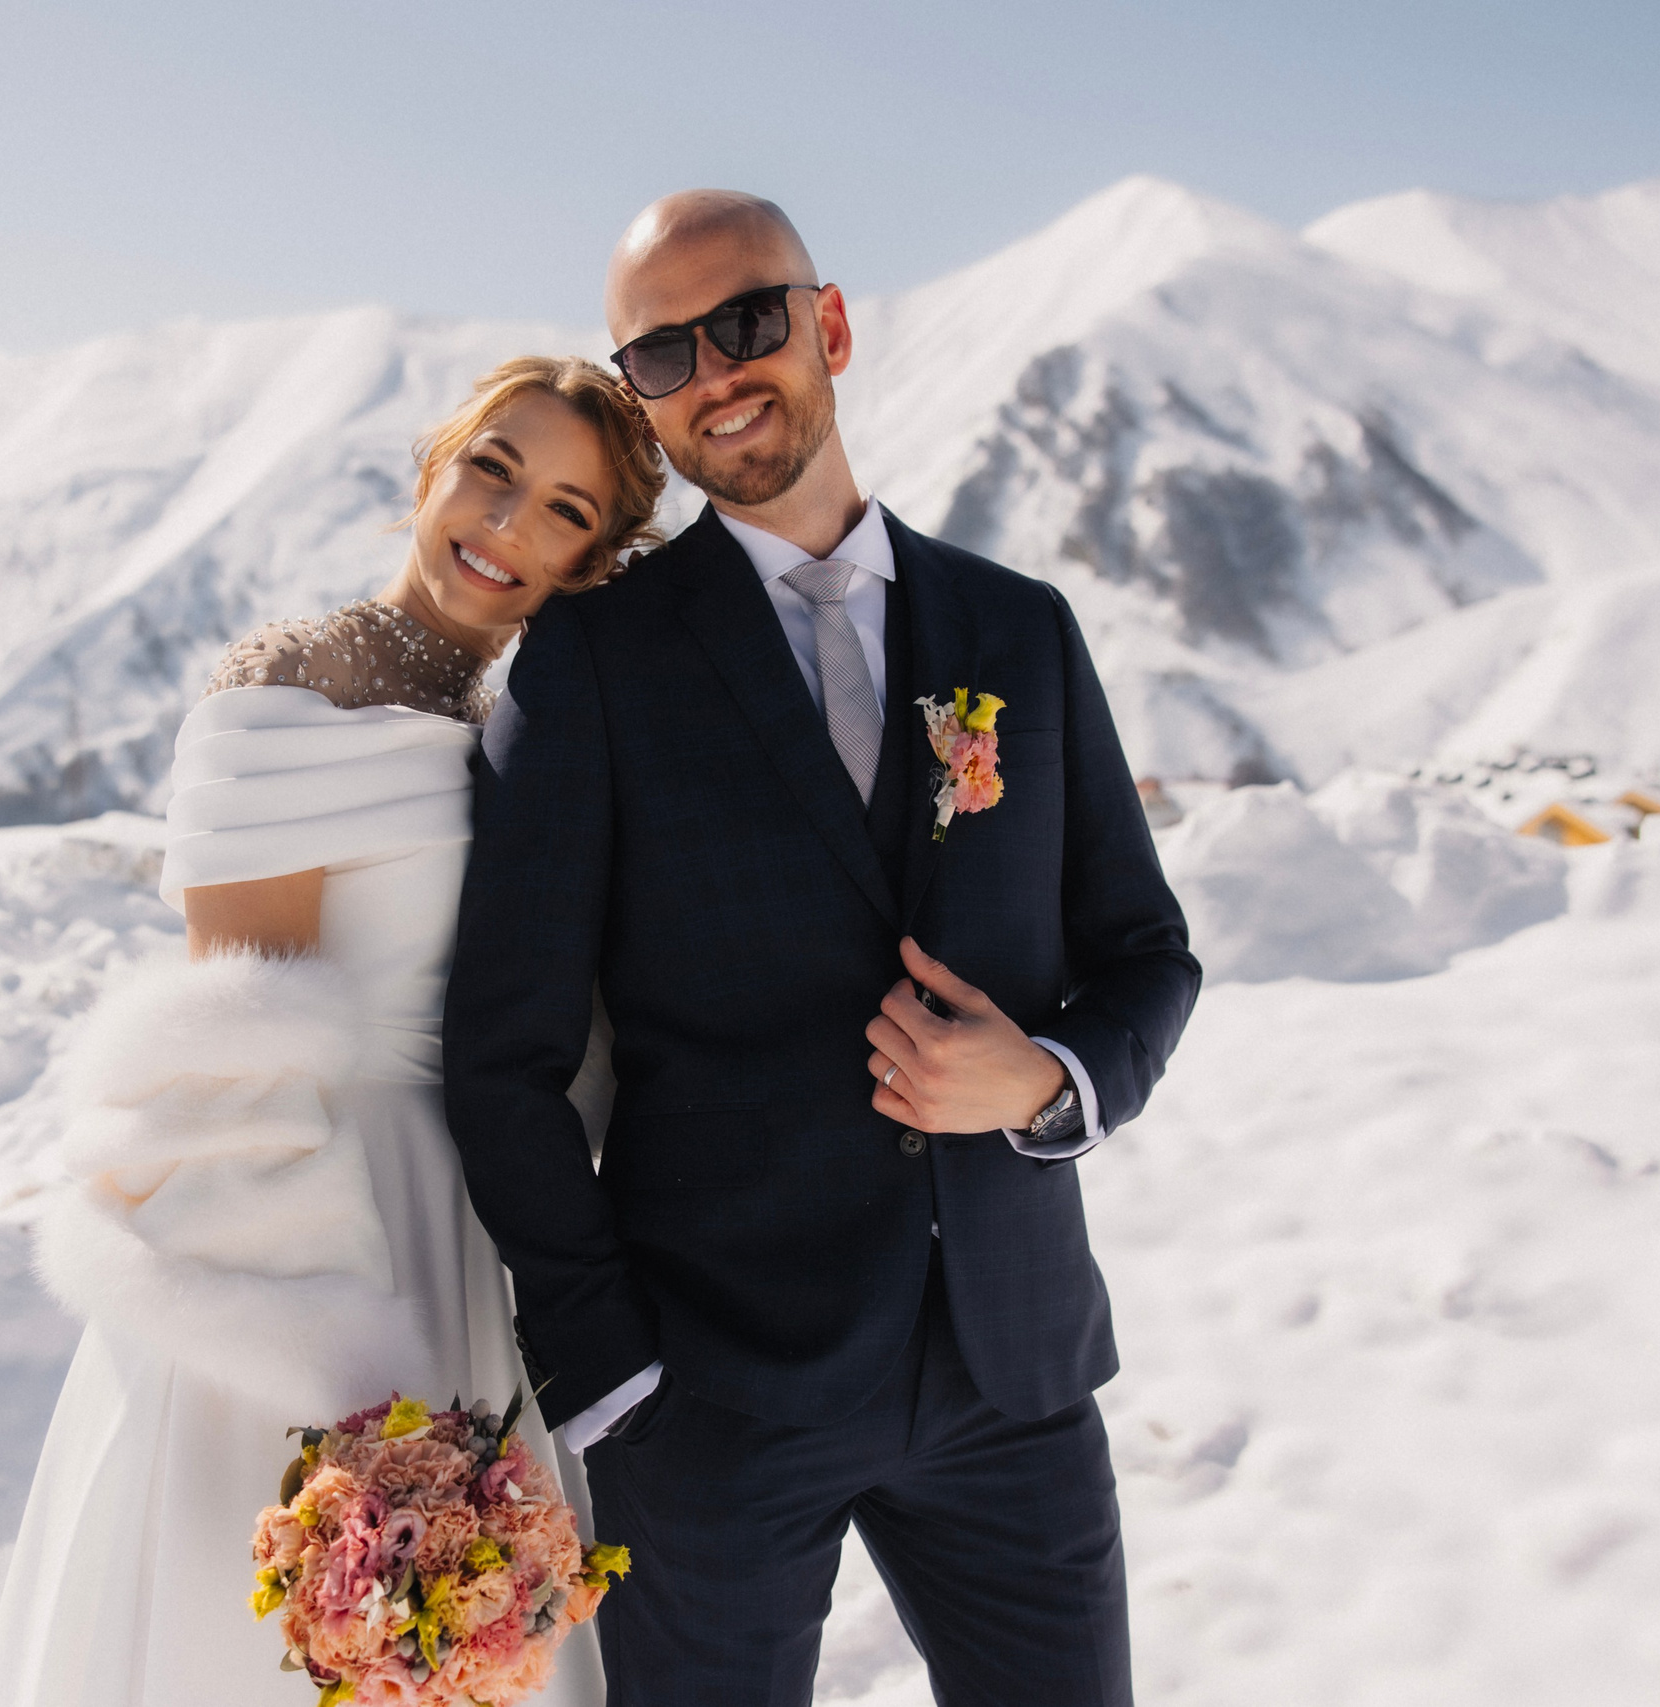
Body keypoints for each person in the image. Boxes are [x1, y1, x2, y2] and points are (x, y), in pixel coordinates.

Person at [442, 193, 1202, 1704]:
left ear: (829, 325)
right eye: (663, 352)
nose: (715, 370)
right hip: (715, 1405)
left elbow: (1146, 955)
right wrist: (613, 1377)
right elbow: (504, 1053)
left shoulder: (1020, 631)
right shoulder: (594, 662)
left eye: (747, 321)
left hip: (1015, 1381)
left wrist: (1043, 1083)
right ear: (644, 400)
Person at [0, 356, 664, 1707]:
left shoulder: (518, 733)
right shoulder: (291, 686)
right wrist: (354, 1392)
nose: (508, 523)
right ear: (433, 468)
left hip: (468, 1242)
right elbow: (229, 1053)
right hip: (299, 1249)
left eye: (566, 511)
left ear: (590, 563)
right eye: (495, 468)